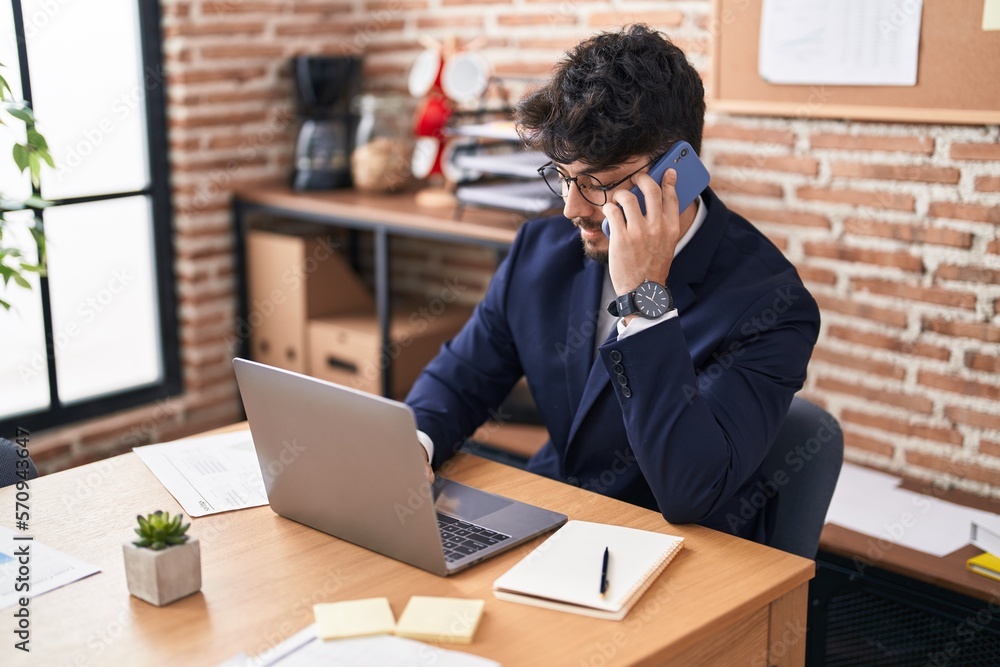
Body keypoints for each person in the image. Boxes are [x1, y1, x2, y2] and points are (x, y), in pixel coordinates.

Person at [406, 24, 820, 542]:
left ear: (678, 172)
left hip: (683, 552)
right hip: (557, 517)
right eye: (562, 175)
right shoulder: (541, 253)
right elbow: (459, 380)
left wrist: (645, 301)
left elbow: (691, 489)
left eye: (598, 183)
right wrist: (413, 447)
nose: (570, 208)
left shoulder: (770, 304)